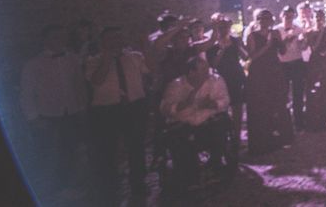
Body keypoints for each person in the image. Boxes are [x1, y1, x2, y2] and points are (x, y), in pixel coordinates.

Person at [20, 24, 88, 197]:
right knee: (48, 154)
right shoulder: (33, 64)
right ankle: (48, 191)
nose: (59, 41)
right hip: (47, 114)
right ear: (45, 40)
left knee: (70, 150)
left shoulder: (72, 59)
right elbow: (27, 93)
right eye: (55, 37)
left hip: (71, 112)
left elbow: (78, 84)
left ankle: (67, 186)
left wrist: (81, 107)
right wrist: (33, 118)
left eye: (62, 37)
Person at [85, 26, 150, 201]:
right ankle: (110, 188)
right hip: (107, 109)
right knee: (108, 150)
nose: (116, 41)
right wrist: (107, 58)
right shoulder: (93, 60)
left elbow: (149, 72)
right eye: (111, 38)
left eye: (118, 38)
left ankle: (138, 185)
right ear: (103, 42)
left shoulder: (134, 57)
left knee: (136, 147)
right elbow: (97, 81)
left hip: (133, 106)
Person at [160, 55, 231, 190]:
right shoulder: (176, 85)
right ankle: (188, 177)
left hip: (208, 123)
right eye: (203, 70)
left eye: (207, 69)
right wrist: (185, 103)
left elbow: (226, 100)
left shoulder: (216, 81)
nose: (207, 72)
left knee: (220, 127)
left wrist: (213, 104)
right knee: (178, 138)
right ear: (191, 72)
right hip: (183, 125)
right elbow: (165, 109)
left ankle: (215, 166)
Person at [243, 8, 292, 155]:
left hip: (274, 71)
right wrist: (268, 44)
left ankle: (279, 138)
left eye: (268, 19)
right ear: (258, 20)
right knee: (261, 107)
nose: (266, 22)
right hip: (259, 73)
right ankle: (262, 141)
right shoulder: (252, 35)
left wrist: (279, 40)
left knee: (277, 104)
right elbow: (251, 56)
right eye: (263, 19)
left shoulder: (275, 33)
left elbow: (283, 52)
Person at [206, 13, 246, 164]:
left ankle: (236, 139)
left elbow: (244, 56)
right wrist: (222, 49)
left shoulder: (234, 40)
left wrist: (239, 46)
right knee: (221, 109)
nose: (224, 30)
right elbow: (213, 64)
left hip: (236, 76)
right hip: (220, 79)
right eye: (221, 27)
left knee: (237, 107)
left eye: (226, 27)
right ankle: (222, 140)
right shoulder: (211, 43)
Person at [276, 5, 310, 130]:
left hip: (297, 62)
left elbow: (304, 48)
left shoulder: (299, 29)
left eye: (291, 16)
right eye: (286, 15)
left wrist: (303, 41)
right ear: (281, 16)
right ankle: (285, 124)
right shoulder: (277, 30)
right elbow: (278, 50)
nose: (288, 18)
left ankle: (299, 122)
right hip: (283, 64)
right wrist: (287, 39)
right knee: (283, 94)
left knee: (298, 93)